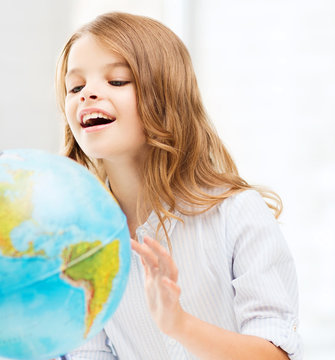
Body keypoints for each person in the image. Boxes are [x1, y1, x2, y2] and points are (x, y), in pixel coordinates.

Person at [55, 12, 302, 360]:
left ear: (166, 97)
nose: (88, 94)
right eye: (75, 87)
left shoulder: (236, 213)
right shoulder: (80, 243)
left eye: (118, 80)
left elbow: (274, 354)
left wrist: (179, 324)